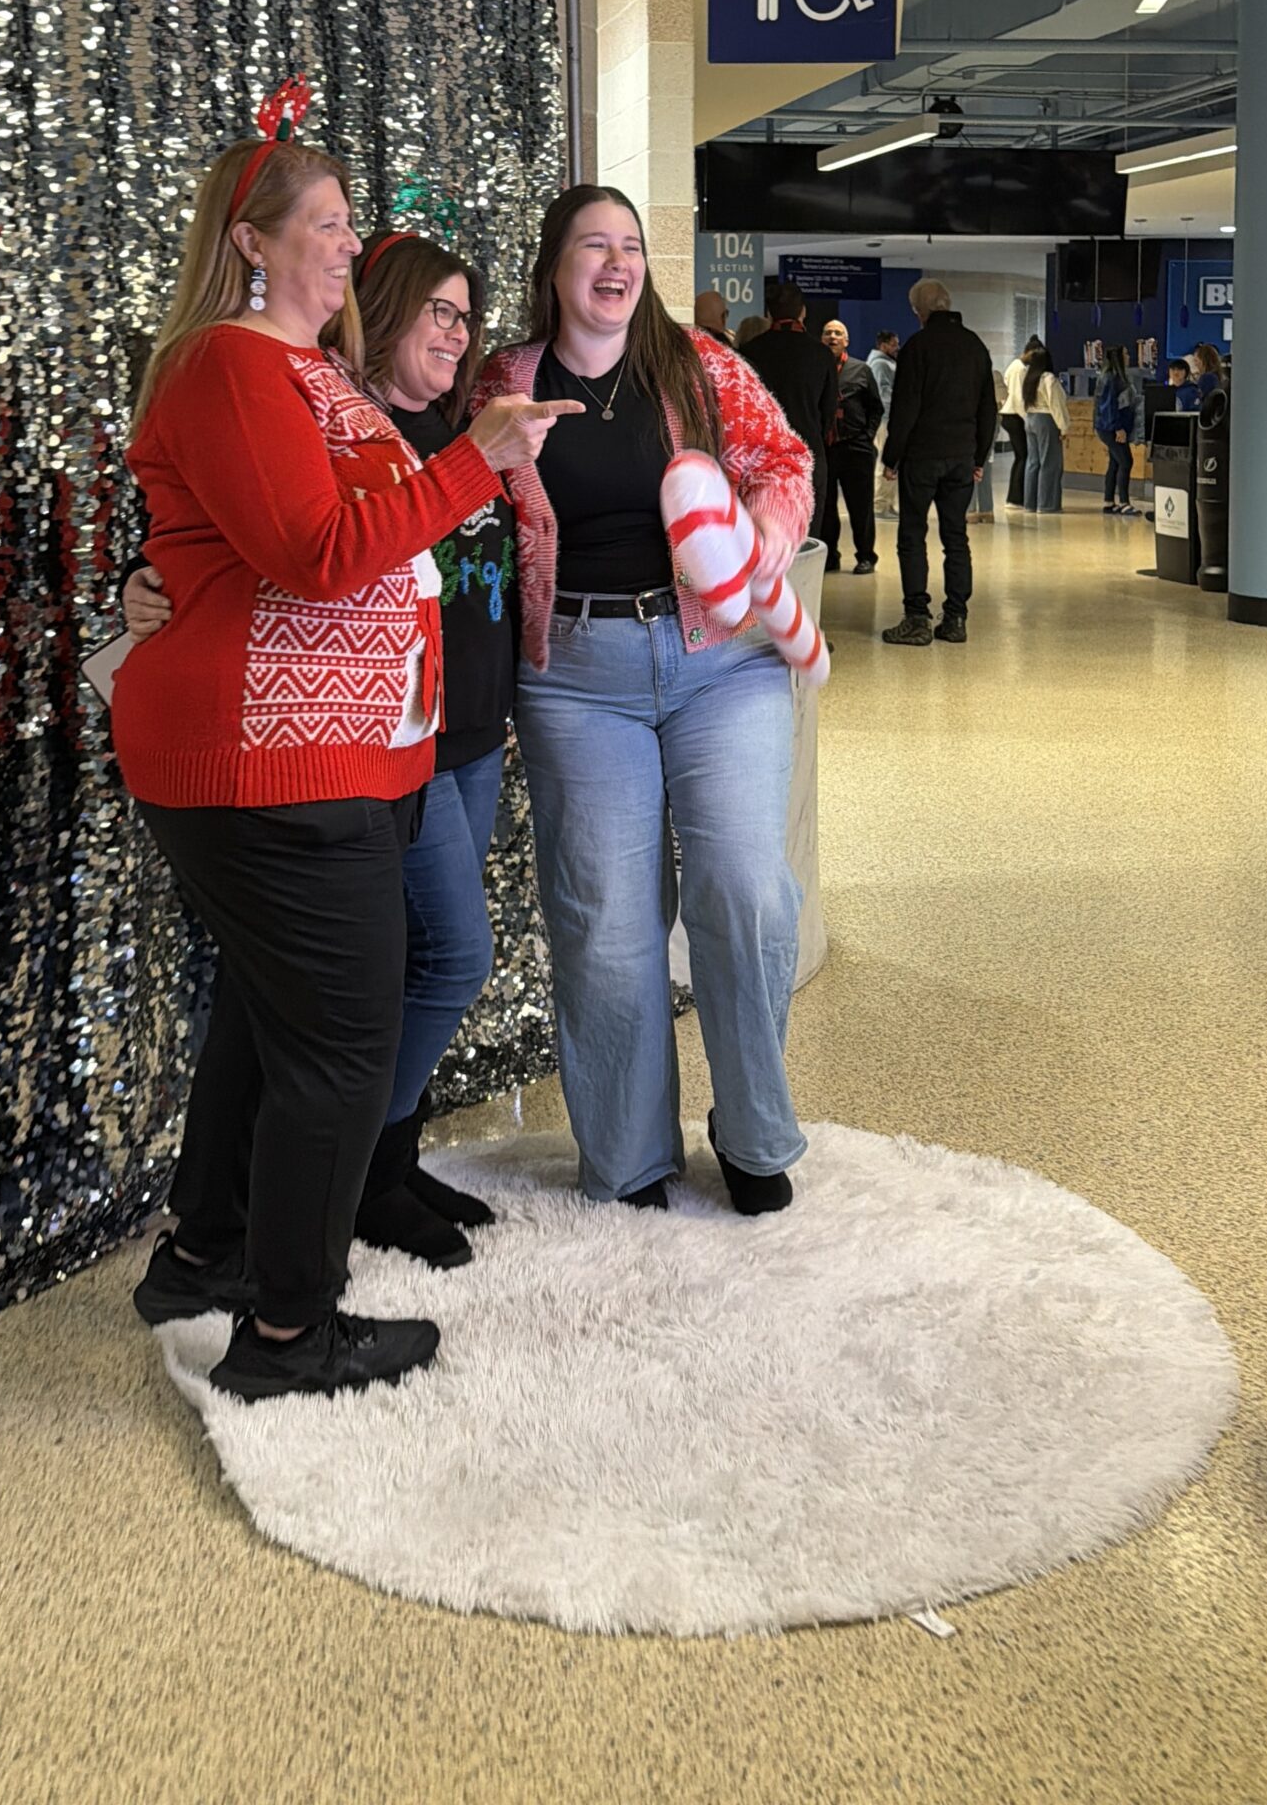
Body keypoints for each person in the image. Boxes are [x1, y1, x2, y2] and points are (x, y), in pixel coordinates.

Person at [116, 127, 577, 1401]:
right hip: (267, 758)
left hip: (343, 759)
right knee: (342, 1045)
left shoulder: (310, 372)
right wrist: (472, 459)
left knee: (279, 1028)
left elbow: (337, 538)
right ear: (250, 241)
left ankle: (204, 1251)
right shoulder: (225, 364)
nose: (347, 241)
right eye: (322, 222)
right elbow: (319, 552)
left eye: (348, 222)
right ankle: (286, 1337)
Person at [473, 185, 815, 1215]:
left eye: (632, 246)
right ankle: (626, 1156)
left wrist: (756, 540)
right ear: (553, 267)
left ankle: (754, 1137)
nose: (617, 263)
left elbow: (785, 461)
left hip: (722, 657)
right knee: (606, 924)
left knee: (745, 890)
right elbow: (433, 481)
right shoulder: (505, 382)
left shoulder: (697, 364)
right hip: (576, 676)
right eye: (594, 245)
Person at [880, 278, 997, 648]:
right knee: (955, 538)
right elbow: (986, 409)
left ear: (921, 312)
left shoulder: (917, 347)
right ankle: (956, 618)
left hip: (922, 456)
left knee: (912, 535)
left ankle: (917, 618)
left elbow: (905, 408)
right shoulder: (975, 346)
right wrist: (978, 457)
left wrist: (891, 457)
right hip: (961, 457)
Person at [738, 282, 838, 536]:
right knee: (808, 538)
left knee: (763, 536)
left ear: (769, 313)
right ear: (802, 312)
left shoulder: (749, 352)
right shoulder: (821, 354)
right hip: (808, 453)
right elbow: (829, 412)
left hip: (762, 457)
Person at [820, 318, 883, 573]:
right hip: (826, 448)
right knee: (826, 507)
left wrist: (867, 436)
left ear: (846, 341)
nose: (832, 337)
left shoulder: (861, 370)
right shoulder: (815, 368)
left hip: (855, 447)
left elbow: (875, 408)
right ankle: (830, 556)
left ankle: (866, 556)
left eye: (838, 333)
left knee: (861, 506)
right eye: (827, 333)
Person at [1021, 348, 1070, 514]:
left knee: (1033, 462)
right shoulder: (1049, 378)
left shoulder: (1028, 378)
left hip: (1030, 418)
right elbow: (1055, 405)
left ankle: (1030, 503)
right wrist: (1063, 427)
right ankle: (1047, 504)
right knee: (1050, 462)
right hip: (1046, 420)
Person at [1094, 343, 1140, 517]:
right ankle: (1124, 502)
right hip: (1111, 428)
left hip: (1110, 427)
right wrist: (1118, 427)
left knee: (1115, 462)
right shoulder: (1112, 378)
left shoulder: (1114, 377)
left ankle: (1109, 501)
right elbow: (1109, 406)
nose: (1129, 357)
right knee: (1126, 461)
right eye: (1126, 354)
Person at [1001, 333, 1045, 508]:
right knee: (1023, 456)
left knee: (1022, 456)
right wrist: (1028, 419)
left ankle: (1018, 496)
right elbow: (1019, 398)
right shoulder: (1019, 369)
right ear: (1029, 352)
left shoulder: (1015, 366)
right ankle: (1015, 497)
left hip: (1010, 414)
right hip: (1014, 415)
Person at [868, 330, 899, 516]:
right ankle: (880, 505)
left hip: (889, 419)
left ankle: (886, 504)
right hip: (885, 419)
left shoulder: (887, 363)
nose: (897, 348)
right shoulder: (879, 364)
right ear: (883, 345)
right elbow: (882, 393)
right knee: (884, 461)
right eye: (894, 344)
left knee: (890, 461)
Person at [970, 368, 1008, 520]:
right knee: (985, 463)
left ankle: (970, 510)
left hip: (971, 421)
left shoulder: (965, 374)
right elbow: (1003, 397)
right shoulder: (994, 375)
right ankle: (987, 510)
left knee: (969, 464)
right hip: (992, 420)